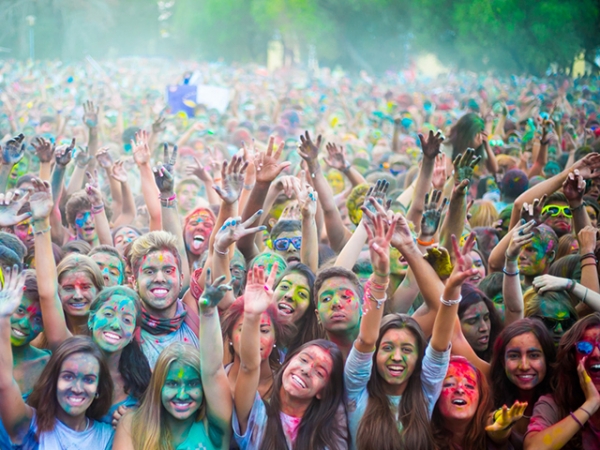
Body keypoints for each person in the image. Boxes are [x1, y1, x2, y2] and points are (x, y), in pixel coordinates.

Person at [233, 265, 348, 449]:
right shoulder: (256, 414)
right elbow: (249, 366)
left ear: (323, 392)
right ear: (287, 363)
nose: (306, 370)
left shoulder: (328, 435)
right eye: (303, 360)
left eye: (319, 372)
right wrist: (252, 315)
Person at [114, 271, 233, 449]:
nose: (182, 394)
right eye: (172, 383)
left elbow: (214, 371)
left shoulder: (213, 427)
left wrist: (208, 313)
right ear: (158, 386)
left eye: (193, 384)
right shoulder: (131, 425)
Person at [0, 268, 114, 449]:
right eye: (68, 376)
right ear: (52, 381)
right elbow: (5, 383)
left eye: (89, 379)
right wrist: (3, 317)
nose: (77, 387)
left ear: (99, 388)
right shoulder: (32, 427)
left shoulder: (108, 437)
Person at [524, 313, 600, 449]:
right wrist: (591, 404)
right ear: (571, 358)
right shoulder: (553, 404)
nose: (596, 354)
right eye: (584, 347)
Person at [130, 230, 200, 368]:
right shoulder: (126, 330)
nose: (160, 279)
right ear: (134, 282)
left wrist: (221, 250)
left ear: (181, 280)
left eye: (168, 271)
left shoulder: (196, 321)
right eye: (149, 272)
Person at [488, 318, 556, 449]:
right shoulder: (489, 390)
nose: (524, 366)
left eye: (534, 355)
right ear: (503, 361)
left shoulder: (563, 399)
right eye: (514, 356)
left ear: (547, 358)